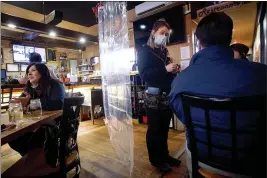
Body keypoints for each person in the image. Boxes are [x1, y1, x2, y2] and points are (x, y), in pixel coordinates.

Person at [169, 12, 267, 177]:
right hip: (254, 161)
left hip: (201, 159)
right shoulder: (261, 74)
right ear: (229, 40)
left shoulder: (180, 80)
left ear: (199, 43)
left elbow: (183, 116)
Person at [137, 18, 181, 173]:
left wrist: (173, 70)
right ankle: (156, 160)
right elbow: (144, 75)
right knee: (155, 129)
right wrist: (165, 70)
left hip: (166, 95)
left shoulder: (163, 51)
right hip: (153, 96)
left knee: (164, 128)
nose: (164, 36)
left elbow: (165, 72)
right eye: (162, 33)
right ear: (153, 33)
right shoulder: (144, 51)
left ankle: (165, 155)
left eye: (166, 34)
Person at [9, 63, 65, 156]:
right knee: (13, 138)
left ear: (42, 72)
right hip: (34, 124)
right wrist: (18, 104)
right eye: (28, 72)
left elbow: (58, 104)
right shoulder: (29, 88)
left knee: (32, 140)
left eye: (33, 70)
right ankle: (32, 159)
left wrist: (31, 102)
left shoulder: (55, 85)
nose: (29, 74)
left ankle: (37, 160)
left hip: (53, 125)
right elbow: (22, 102)